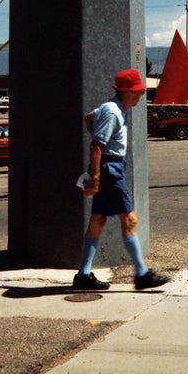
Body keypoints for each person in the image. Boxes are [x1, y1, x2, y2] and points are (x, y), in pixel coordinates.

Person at [73, 69, 170, 292]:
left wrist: (100, 148)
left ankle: (83, 276)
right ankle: (141, 274)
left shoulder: (116, 108)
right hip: (110, 169)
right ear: (125, 92)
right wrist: (97, 177)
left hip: (110, 167)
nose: (140, 96)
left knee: (98, 221)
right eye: (137, 92)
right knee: (130, 219)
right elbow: (95, 146)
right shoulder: (112, 112)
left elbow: (89, 117)